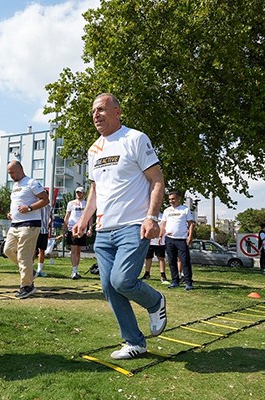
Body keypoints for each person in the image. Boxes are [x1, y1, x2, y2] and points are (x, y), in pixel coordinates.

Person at [72, 93, 167, 360]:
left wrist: (152, 217)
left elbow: (157, 179)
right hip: (104, 231)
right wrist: (84, 219)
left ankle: (155, 301)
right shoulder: (93, 150)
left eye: (101, 109)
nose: (96, 115)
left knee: (122, 280)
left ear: (117, 111)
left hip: (133, 226)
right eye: (93, 111)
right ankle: (134, 342)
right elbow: (95, 190)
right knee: (109, 288)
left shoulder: (135, 138)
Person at [4, 161, 49, 298]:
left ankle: (27, 286)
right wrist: (11, 213)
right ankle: (29, 272)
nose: (10, 175)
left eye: (12, 172)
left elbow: (45, 200)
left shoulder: (32, 182)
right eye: (9, 173)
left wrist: (29, 208)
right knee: (7, 250)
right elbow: (17, 203)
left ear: (20, 169)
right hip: (15, 224)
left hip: (30, 224)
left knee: (24, 255)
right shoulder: (15, 185)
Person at [161, 191, 196, 290]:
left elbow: (191, 224)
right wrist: (160, 236)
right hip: (169, 239)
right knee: (171, 261)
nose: (171, 201)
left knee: (185, 261)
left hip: (181, 240)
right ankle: (174, 281)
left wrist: (189, 236)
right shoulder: (167, 211)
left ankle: (188, 282)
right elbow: (163, 224)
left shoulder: (185, 209)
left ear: (178, 199)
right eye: (170, 199)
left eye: (173, 199)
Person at [63, 187, 91, 279]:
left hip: (82, 228)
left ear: (83, 193)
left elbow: (90, 217)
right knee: (73, 249)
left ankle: (76, 270)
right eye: (77, 193)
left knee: (78, 250)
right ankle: (74, 271)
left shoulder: (87, 204)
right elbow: (67, 215)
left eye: (80, 193)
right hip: (72, 228)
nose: (78, 194)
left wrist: (90, 228)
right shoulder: (71, 203)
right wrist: (65, 227)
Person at [141, 212, 168, 283]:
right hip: (150, 241)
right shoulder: (147, 216)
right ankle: (147, 274)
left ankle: (163, 275)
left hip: (160, 242)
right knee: (148, 258)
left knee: (161, 258)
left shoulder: (162, 216)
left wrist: (161, 237)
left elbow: (164, 228)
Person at [34, 190, 53, 278]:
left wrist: (50, 223)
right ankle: (30, 269)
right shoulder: (37, 206)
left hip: (44, 230)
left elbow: (50, 217)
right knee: (33, 250)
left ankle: (39, 269)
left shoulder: (49, 207)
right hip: (36, 230)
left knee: (42, 250)